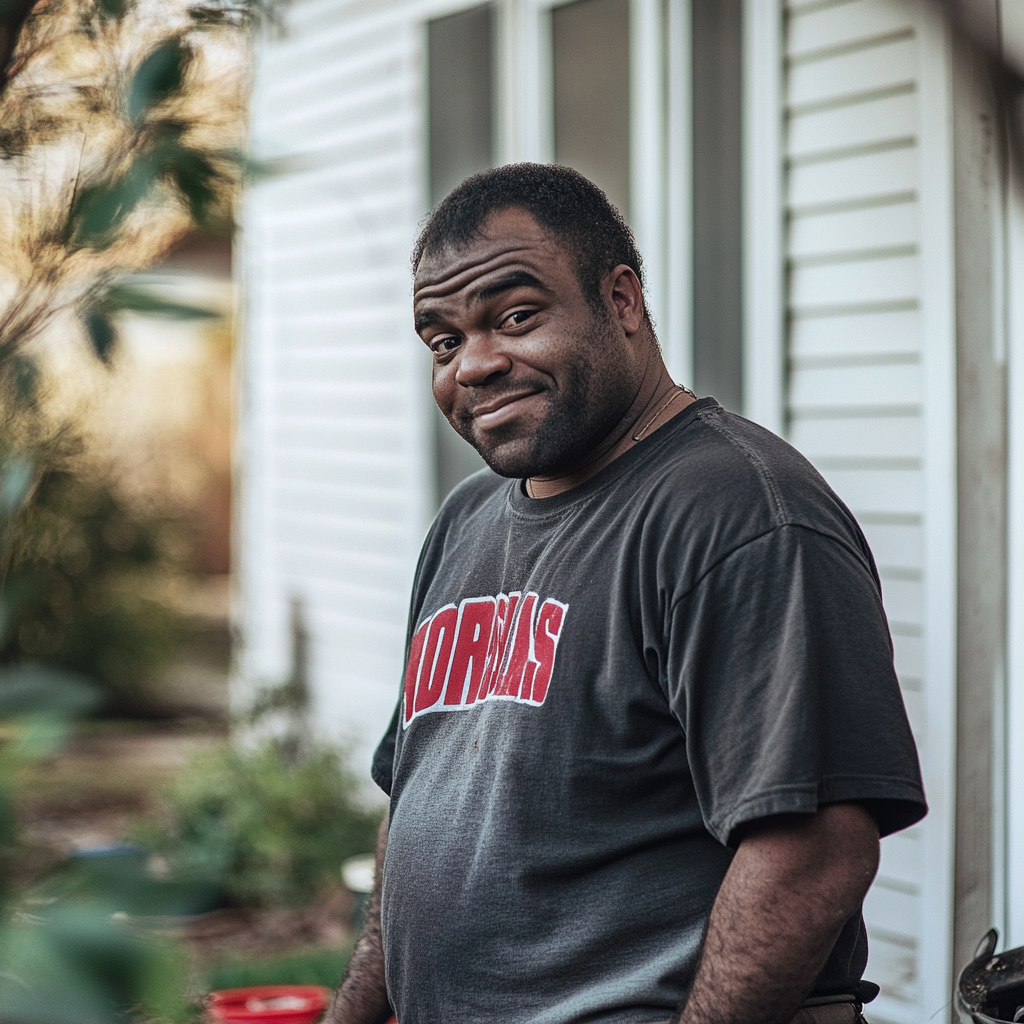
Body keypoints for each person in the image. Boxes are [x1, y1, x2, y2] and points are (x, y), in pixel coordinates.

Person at [325, 163, 926, 1024]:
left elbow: (815, 851)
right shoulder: (466, 523)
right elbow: (418, 803)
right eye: (445, 341)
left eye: (516, 317)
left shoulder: (737, 511)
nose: (477, 365)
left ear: (622, 300)